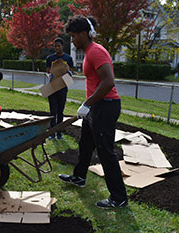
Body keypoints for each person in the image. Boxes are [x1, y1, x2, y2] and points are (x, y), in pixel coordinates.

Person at [58, 15, 128, 209]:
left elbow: (108, 82)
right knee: (86, 144)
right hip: (97, 106)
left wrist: (88, 104)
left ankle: (119, 197)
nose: (72, 40)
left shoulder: (96, 52)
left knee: (106, 151)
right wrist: (89, 105)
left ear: (83, 34)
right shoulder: (89, 52)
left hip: (105, 106)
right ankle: (79, 177)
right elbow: (97, 82)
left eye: (73, 36)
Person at [46, 38, 74, 140]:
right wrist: (49, 74)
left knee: (60, 112)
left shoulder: (68, 58)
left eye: (59, 46)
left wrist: (69, 73)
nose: (57, 48)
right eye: (55, 46)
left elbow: (70, 72)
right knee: (52, 111)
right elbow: (48, 71)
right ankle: (52, 133)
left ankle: (59, 133)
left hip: (62, 87)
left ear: (62, 46)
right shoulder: (50, 58)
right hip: (52, 87)